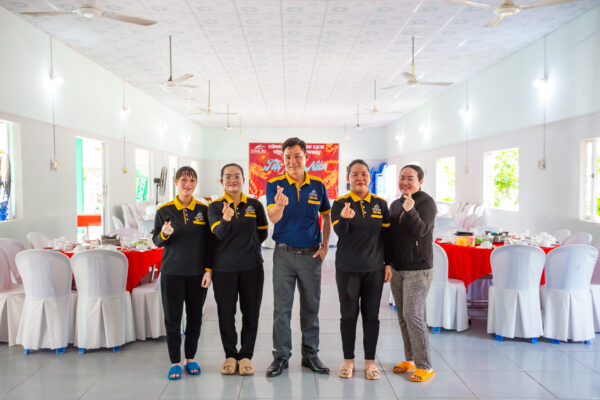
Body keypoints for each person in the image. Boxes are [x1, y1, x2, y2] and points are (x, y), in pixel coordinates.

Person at [265, 137, 331, 377]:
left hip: (310, 255)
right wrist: (280, 205)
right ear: (282, 159)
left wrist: (325, 246)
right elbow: (273, 217)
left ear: (306, 157)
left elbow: (326, 215)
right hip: (283, 254)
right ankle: (281, 356)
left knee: (311, 307)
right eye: (287, 157)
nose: (292, 161)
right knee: (282, 309)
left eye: (297, 156)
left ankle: (310, 355)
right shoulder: (274, 184)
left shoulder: (318, 185)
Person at [331, 159, 393, 380]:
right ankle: (348, 360)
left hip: (374, 269)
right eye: (355, 174)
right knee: (348, 316)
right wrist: (345, 220)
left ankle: (370, 361)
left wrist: (388, 263)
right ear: (348, 178)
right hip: (347, 269)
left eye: (364, 174)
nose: (360, 178)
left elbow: (387, 237)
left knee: (371, 316)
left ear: (370, 177)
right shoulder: (340, 204)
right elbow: (341, 234)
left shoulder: (380, 204)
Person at [207, 163, 269, 376]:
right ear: (221, 181)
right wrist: (226, 219)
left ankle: (246, 356)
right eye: (228, 177)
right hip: (224, 269)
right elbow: (219, 234)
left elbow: (263, 232)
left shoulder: (254, 205)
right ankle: (231, 355)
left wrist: (249, 246)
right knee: (226, 313)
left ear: (244, 179)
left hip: (252, 267)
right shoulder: (215, 207)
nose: (232, 180)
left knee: (251, 312)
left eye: (236, 176)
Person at [152, 166, 213, 380]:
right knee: (173, 319)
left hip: (197, 274)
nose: (188, 184)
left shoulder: (204, 209)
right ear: (176, 182)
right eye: (184, 180)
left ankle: (190, 358)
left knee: (195, 317)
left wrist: (208, 271)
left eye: (192, 180)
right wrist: (164, 234)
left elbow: (210, 243)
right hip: (172, 273)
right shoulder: (164, 210)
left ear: (196, 183)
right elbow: (156, 241)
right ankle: (175, 361)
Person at [388, 164, 437, 383]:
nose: (405, 182)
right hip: (397, 268)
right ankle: (410, 359)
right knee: (402, 316)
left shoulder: (426, 203)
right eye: (402, 178)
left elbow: (421, 230)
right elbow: (390, 237)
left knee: (413, 315)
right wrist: (388, 263)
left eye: (410, 178)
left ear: (420, 182)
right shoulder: (394, 204)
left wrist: (410, 210)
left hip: (418, 269)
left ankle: (425, 365)